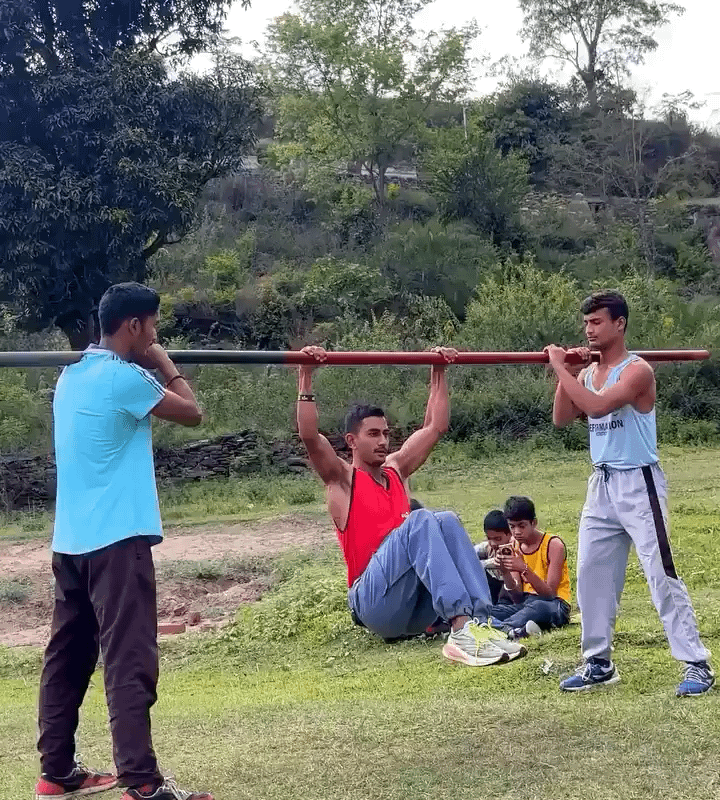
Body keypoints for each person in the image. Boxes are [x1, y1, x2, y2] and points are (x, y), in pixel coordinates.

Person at [36, 283, 213, 800]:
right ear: (133, 326)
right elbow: (191, 411)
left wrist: (151, 356)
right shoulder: (124, 377)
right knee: (129, 659)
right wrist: (164, 361)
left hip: (71, 543)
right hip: (117, 542)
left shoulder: (70, 376)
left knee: (67, 656)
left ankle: (57, 771)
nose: (156, 334)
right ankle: (140, 782)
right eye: (153, 326)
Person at [296, 345, 525, 667]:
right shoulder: (343, 480)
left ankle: (480, 623)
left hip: (413, 608)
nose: (382, 441)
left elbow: (435, 427)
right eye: (373, 434)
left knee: (444, 519)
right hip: (373, 603)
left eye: (386, 434)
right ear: (351, 441)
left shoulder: (396, 471)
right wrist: (305, 376)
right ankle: (460, 629)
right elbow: (309, 436)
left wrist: (439, 370)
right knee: (420, 521)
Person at [547, 289, 714, 696]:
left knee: (660, 572)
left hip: (639, 483)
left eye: (597, 322)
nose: (589, 330)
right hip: (601, 483)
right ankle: (598, 662)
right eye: (586, 323)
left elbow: (600, 407)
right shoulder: (587, 374)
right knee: (591, 573)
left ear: (619, 324)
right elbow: (563, 416)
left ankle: (696, 664)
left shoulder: (637, 371)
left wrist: (557, 367)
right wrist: (569, 370)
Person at [487, 496, 571, 640]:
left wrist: (524, 568)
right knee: (490, 611)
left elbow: (549, 594)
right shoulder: (514, 546)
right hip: (526, 604)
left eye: (522, 525)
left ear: (534, 523)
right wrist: (506, 571)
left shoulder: (553, 545)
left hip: (555, 605)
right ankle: (517, 629)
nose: (516, 532)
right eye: (512, 526)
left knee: (538, 608)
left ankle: (498, 630)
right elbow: (517, 597)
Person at [474, 510, 513, 604]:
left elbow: (496, 562)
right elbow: (470, 554)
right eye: (489, 538)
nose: (493, 543)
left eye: (498, 539)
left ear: (510, 534)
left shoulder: (512, 548)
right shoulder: (488, 547)